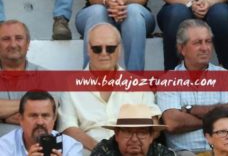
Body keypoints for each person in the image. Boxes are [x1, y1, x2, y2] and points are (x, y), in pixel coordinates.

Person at [58, 23, 161, 153]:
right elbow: (68, 128)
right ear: (88, 49)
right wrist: (103, 151)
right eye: (97, 49)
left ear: (119, 49)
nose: (104, 53)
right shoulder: (71, 84)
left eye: (110, 48)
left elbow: (154, 124)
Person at [157, 19, 228, 156]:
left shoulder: (225, 76)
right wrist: (217, 122)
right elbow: (172, 122)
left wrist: (191, 110)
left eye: (208, 41)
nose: (205, 48)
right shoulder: (168, 80)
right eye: (197, 43)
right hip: (185, 152)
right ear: (182, 49)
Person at [0, 90, 83, 155]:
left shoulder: (71, 147)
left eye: (45, 115)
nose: (40, 122)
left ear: (54, 119)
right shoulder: (4, 146)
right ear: (21, 119)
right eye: (33, 115)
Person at [0, 20, 44, 135]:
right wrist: (32, 105)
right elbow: (38, 112)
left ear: (28, 43)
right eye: (6, 39)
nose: (13, 44)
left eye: (19, 38)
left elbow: (47, 116)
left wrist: (3, 117)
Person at [91, 103, 175, 156]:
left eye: (141, 133)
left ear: (151, 136)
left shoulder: (160, 152)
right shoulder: (104, 150)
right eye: (128, 132)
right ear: (117, 135)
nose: (134, 139)